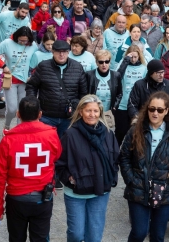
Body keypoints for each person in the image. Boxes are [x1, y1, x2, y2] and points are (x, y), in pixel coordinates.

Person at [119, 92, 169, 242]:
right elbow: (124, 157)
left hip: (165, 192)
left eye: (159, 110)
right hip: (138, 189)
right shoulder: (135, 130)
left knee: (158, 236)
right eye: (152, 109)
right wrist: (131, 180)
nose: (155, 113)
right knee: (139, 232)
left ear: (166, 111)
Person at [0, 96, 62, 242]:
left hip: (16, 200)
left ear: (18, 114)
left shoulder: (8, 140)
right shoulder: (51, 135)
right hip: (43, 197)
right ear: (40, 114)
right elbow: (57, 156)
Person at [56, 95, 120, 242]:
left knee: (94, 237)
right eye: (88, 111)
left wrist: (111, 178)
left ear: (100, 112)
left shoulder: (108, 134)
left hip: (100, 192)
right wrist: (69, 178)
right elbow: (59, 163)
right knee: (76, 234)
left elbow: (116, 159)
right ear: (80, 112)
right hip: (75, 193)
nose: (92, 115)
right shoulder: (70, 134)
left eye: (95, 111)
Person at [26, 40, 88, 139]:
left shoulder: (77, 67)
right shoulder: (43, 66)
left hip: (69, 117)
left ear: (68, 52)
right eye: (58, 51)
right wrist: (34, 105)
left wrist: (78, 108)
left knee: (65, 148)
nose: (61, 54)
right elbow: (31, 86)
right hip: (47, 116)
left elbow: (83, 92)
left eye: (64, 51)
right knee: (46, 145)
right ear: (53, 52)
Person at [0, 27, 38, 130]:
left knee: (23, 109)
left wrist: (33, 73)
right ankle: (7, 125)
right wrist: (3, 66)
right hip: (10, 80)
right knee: (12, 109)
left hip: (25, 81)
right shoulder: (8, 43)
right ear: (16, 37)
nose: (23, 42)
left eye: (25, 41)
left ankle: (19, 129)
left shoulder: (33, 45)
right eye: (21, 40)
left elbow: (36, 59)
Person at [114, 45, 148, 144]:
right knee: (120, 132)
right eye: (131, 57)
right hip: (123, 105)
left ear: (139, 56)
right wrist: (125, 61)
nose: (133, 59)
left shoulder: (144, 67)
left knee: (135, 134)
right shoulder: (123, 65)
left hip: (137, 105)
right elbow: (117, 78)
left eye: (135, 57)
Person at [85, 50, 122, 114]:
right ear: (97, 63)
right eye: (101, 62)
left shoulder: (116, 75)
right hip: (92, 112)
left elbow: (119, 93)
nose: (104, 65)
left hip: (108, 113)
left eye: (107, 62)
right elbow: (84, 93)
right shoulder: (89, 75)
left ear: (110, 62)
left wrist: (115, 106)